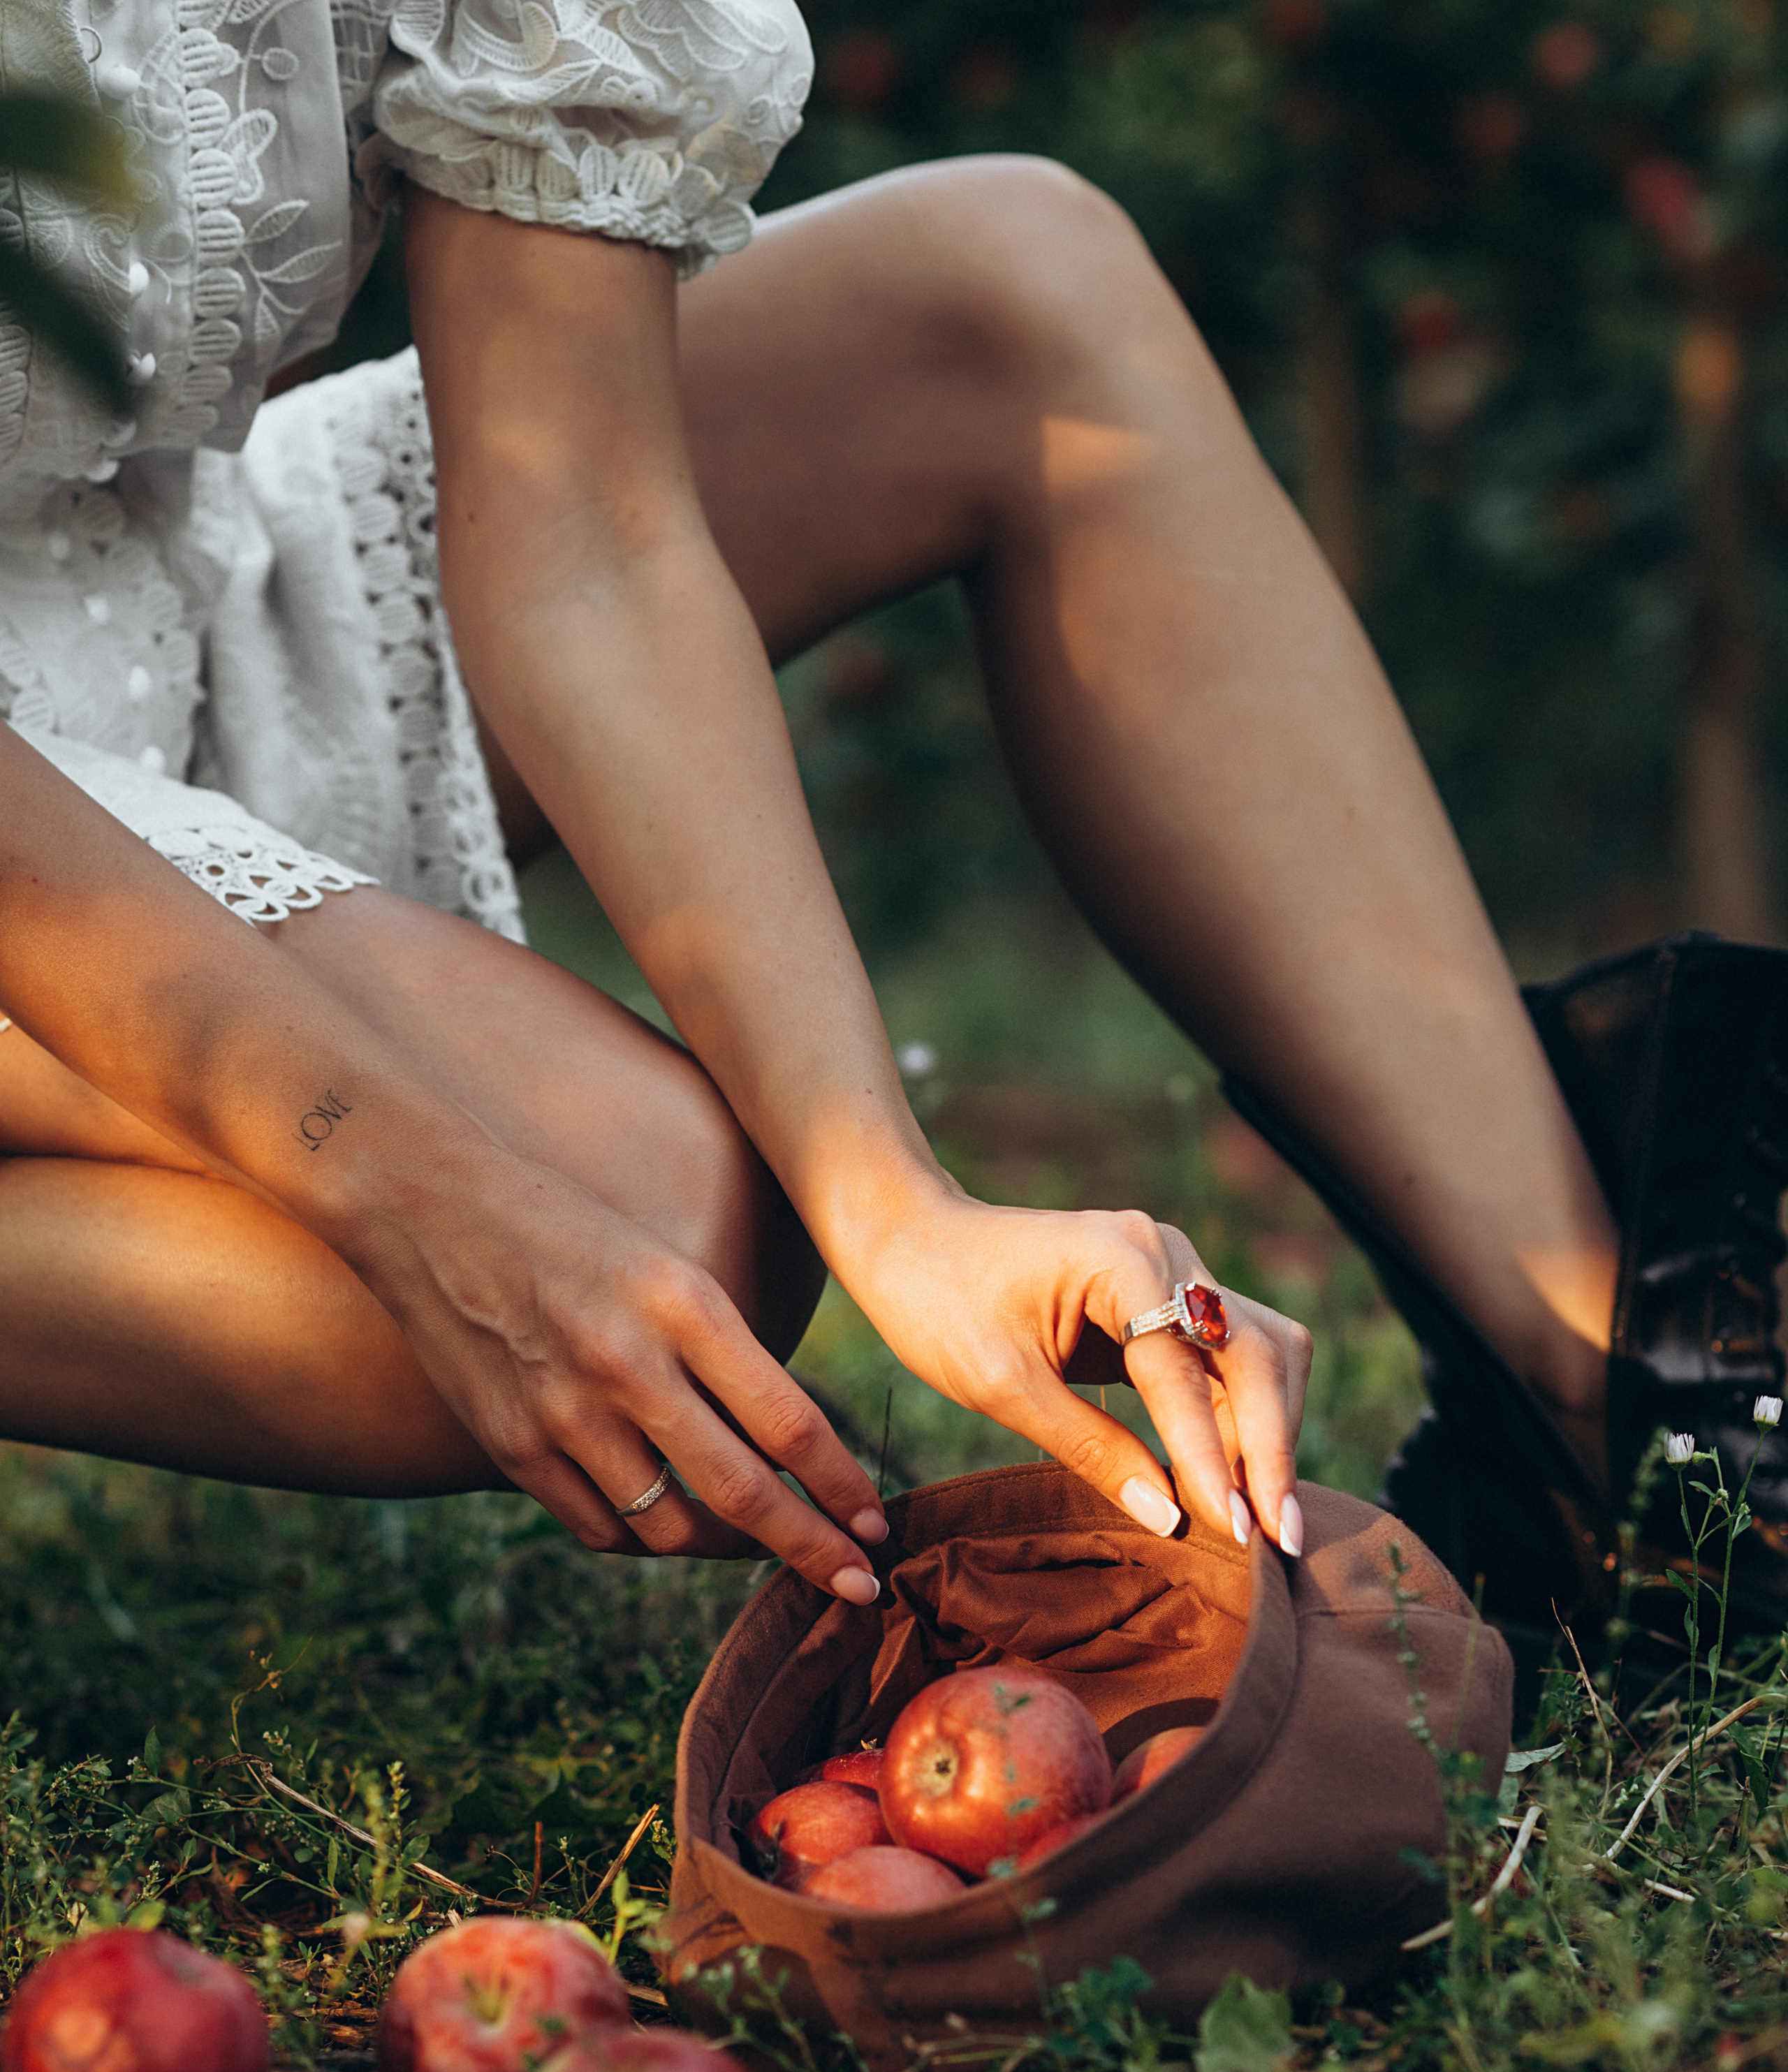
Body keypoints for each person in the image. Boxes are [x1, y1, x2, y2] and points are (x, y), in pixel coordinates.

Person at [1, 0, 1782, 1687]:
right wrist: (407, 1179)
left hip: (152, 607)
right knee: (633, 1218)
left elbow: (585, 531)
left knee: (1012, 285)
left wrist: (894, 1201)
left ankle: (1632, 1442)